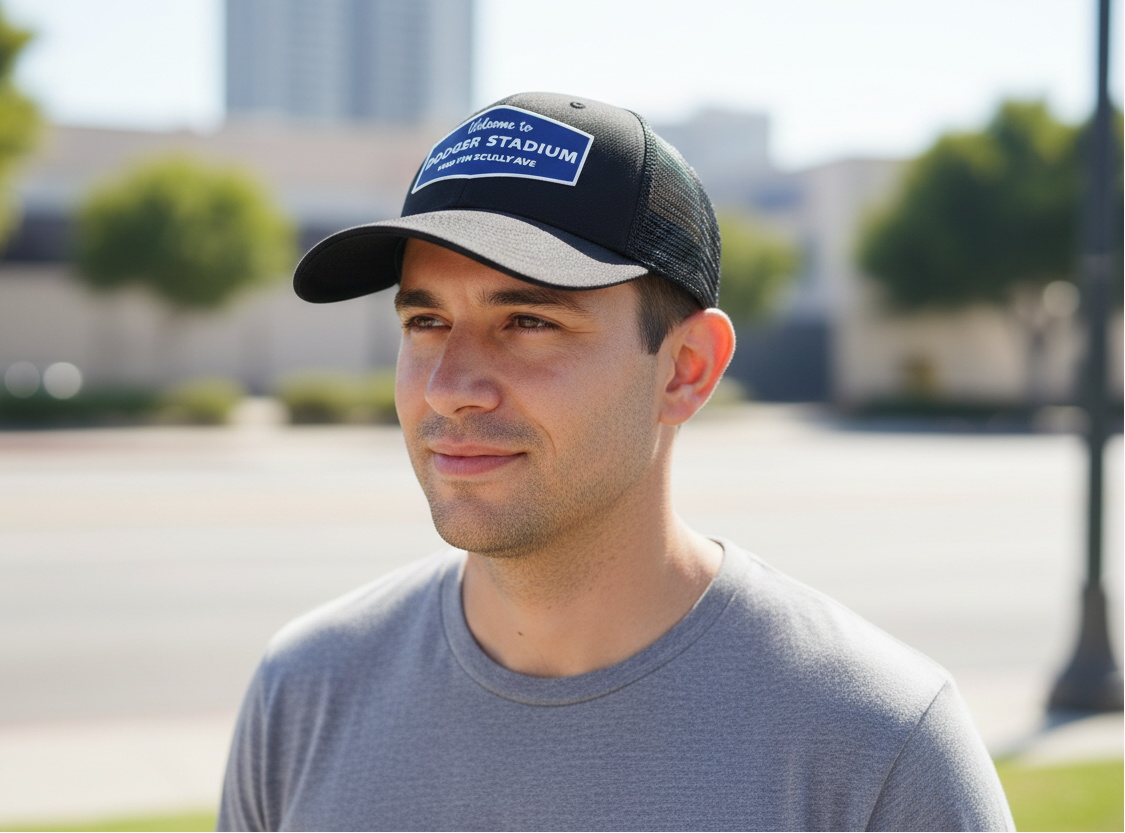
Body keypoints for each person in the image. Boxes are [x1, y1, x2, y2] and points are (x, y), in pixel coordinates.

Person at [218, 92, 1014, 832]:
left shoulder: (878, 746)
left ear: (685, 369)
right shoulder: (305, 691)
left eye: (528, 321)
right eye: (425, 320)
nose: (449, 388)